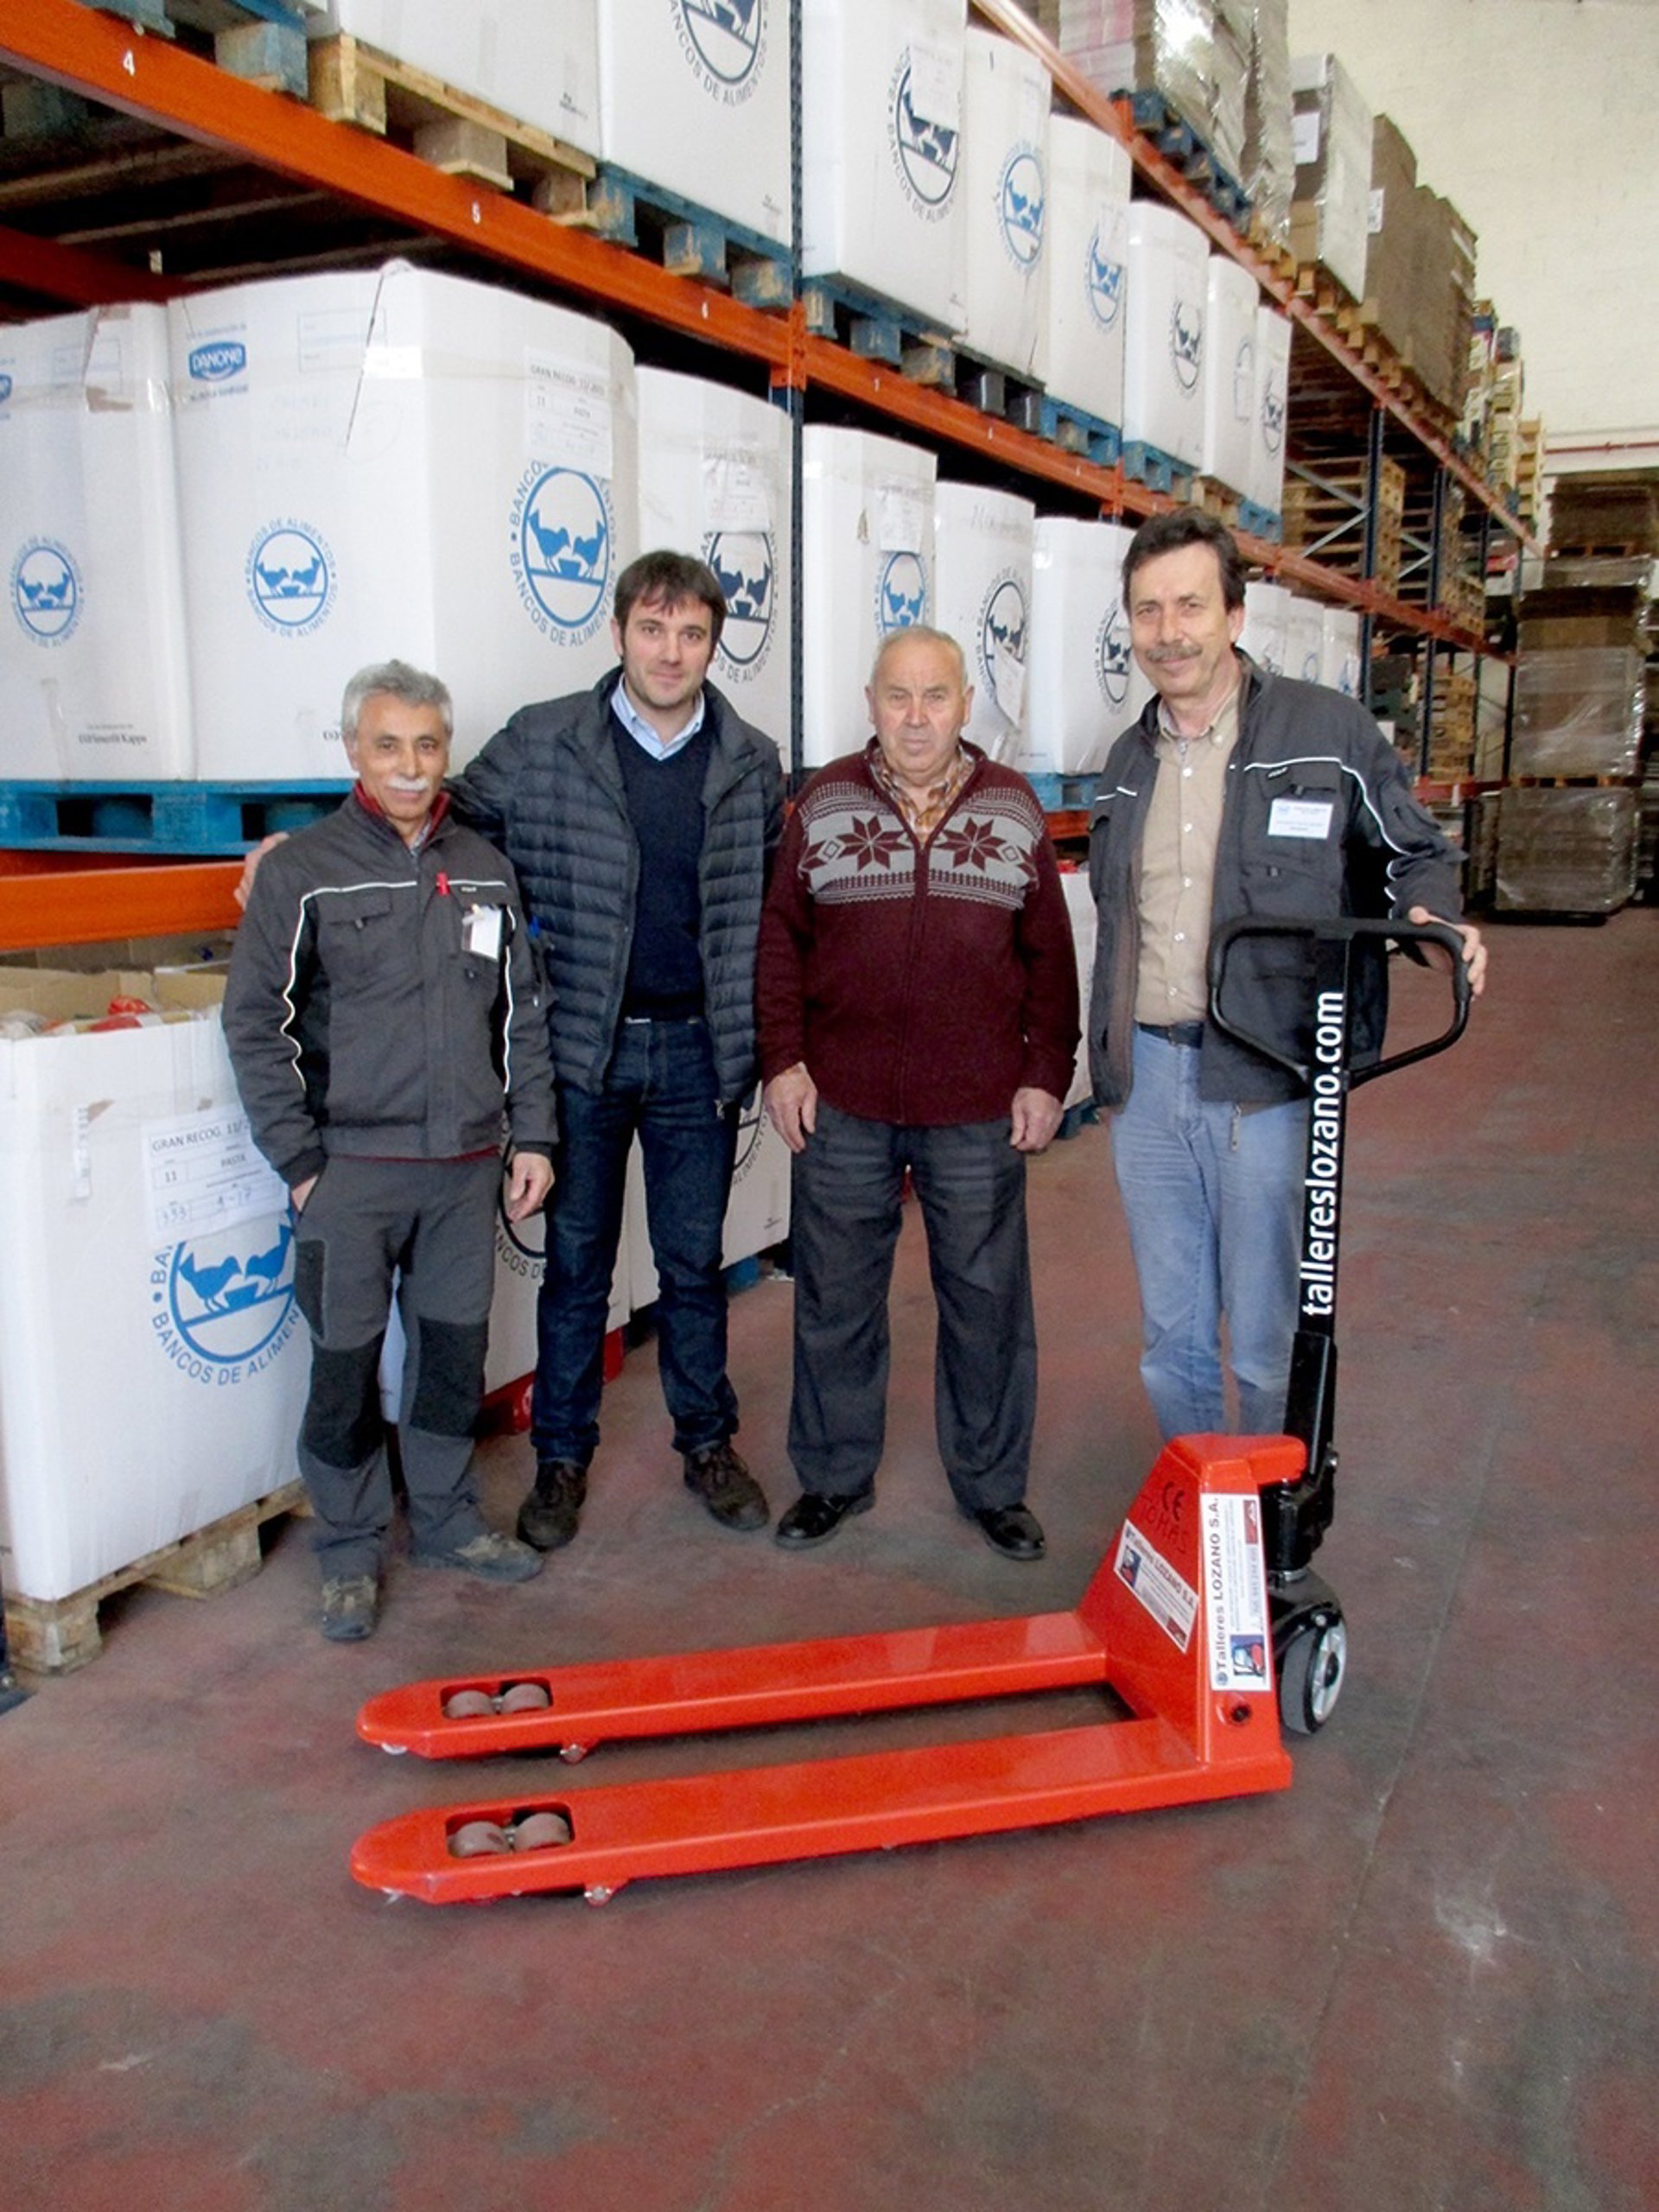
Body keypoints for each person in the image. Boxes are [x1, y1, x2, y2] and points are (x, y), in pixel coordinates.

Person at [1087, 507, 1488, 1441]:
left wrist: (1431, 919)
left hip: (1268, 1076)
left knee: (1266, 1340)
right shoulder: (1124, 762)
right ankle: (1206, 1500)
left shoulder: (1326, 730)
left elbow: (1413, 851)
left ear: (1234, 615)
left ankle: (1271, 1505)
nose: (1168, 632)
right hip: (1148, 1078)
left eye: (1190, 605)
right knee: (1171, 1338)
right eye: (1148, 611)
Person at [450, 550, 785, 1549]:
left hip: (697, 1054)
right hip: (580, 1053)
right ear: (619, 632)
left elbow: (773, 902)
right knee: (577, 1271)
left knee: (692, 1267)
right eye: (652, 628)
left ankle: (708, 1444)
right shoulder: (542, 741)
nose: (670, 652)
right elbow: (448, 825)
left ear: (714, 643)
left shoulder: (751, 759)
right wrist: (304, 851)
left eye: (691, 633)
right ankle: (560, 1460)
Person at [223, 660, 555, 1642]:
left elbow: (521, 1015)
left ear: (445, 751)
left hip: (463, 1170)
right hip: (350, 1177)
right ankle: (349, 1548)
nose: (408, 766)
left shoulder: (484, 868)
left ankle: (448, 1521)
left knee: (452, 1356)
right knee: (344, 1366)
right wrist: (301, 1164)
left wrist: (533, 1134)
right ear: (352, 751)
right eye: (387, 745)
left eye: (426, 745)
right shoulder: (302, 870)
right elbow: (256, 1023)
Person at [757, 626, 1080, 1560]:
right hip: (844, 1104)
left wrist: (1045, 1074)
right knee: (835, 1299)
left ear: (965, 705)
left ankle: (992, 1487)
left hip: (976, 1107)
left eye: (935, 696)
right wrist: (783, 1061)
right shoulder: (824, 803)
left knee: (987, 1303)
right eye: (897, 696)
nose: (915, 716)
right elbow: (780, 944)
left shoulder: (1013, 807)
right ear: (871, 702)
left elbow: (1050, 960)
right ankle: (832, 1476)